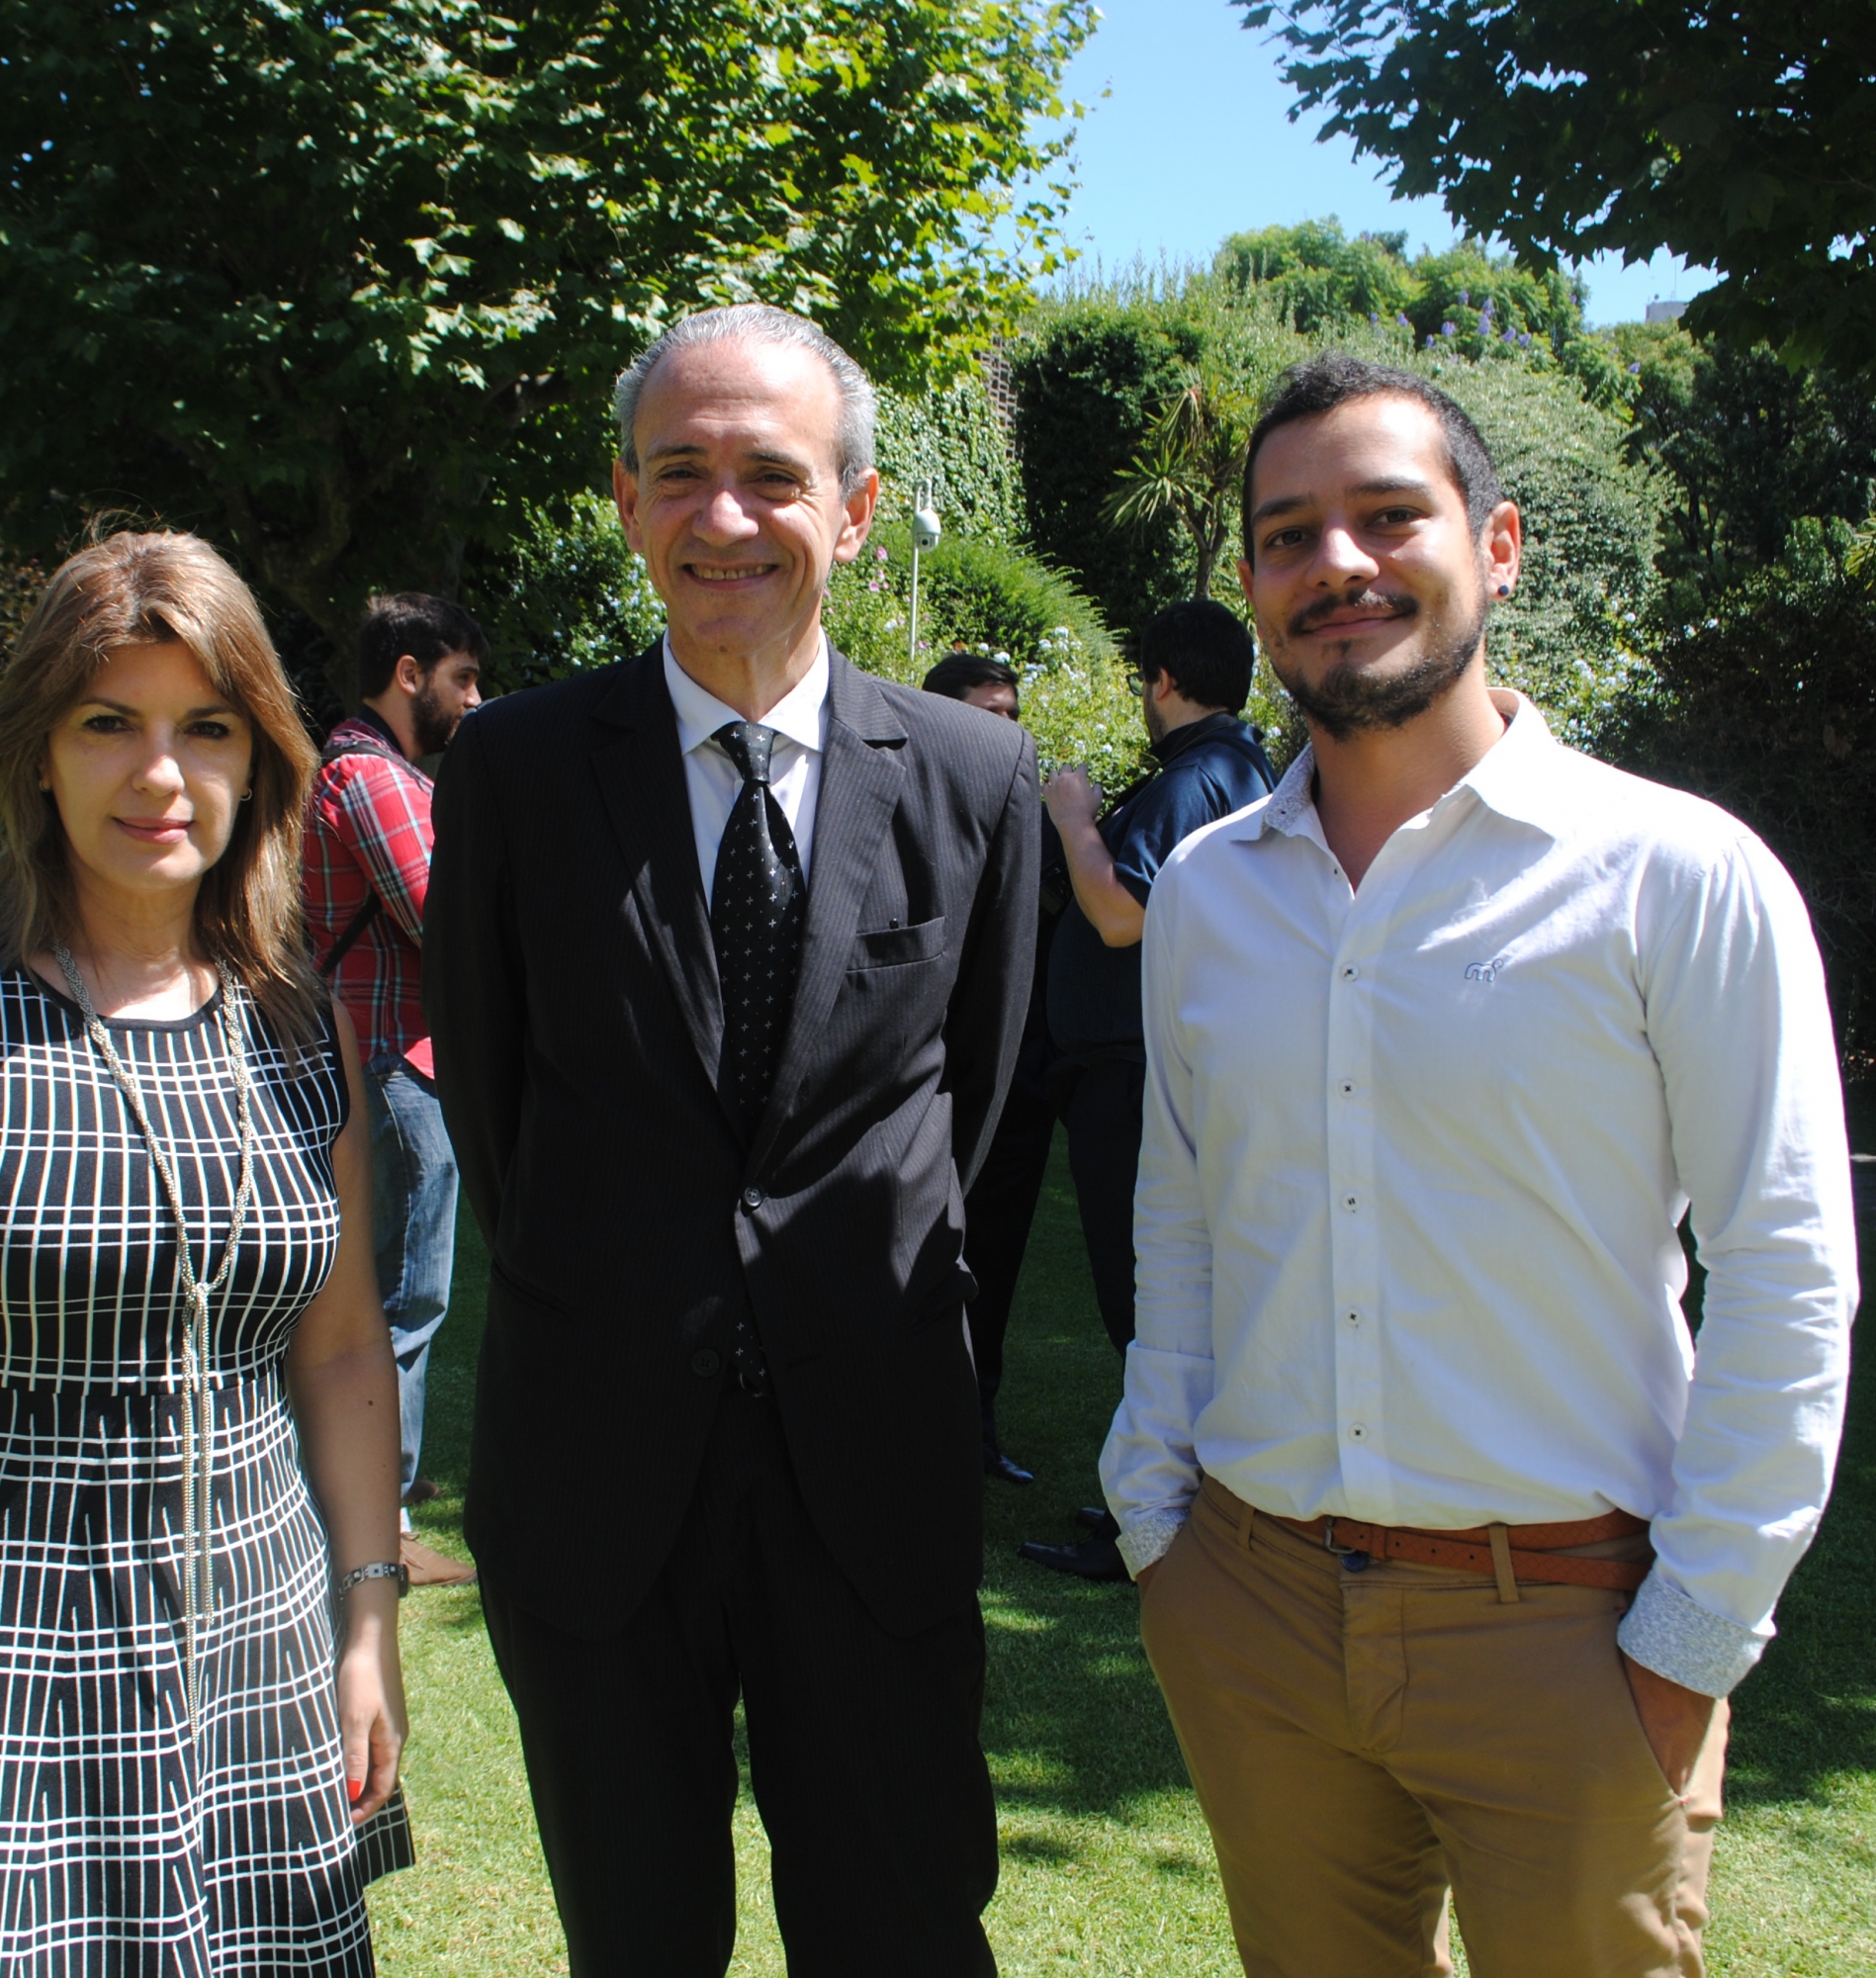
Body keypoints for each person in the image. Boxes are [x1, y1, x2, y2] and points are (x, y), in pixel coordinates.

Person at [1107, 353, 1856, 1975]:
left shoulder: (1674, 875)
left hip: (1569, 1626)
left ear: (1495, 543)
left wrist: (1689, 1638)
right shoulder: (1210, 895)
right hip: (1251, 1602)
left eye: (1389, 516)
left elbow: (1786, 1275)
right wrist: (1154, 1520)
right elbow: (1180, 1216)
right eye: (1289, 533)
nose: (1338, 565)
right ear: (1248, 581)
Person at [427, 305, 1038, 1975]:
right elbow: (492, 1105)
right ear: (623, 503)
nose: (722, 519)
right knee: (638, 1939)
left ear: (849, 508)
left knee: (899, 1929)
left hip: (873, 1465)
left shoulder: (974, 780)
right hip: (596, 1470)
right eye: (678, 474)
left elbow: (978, 1132)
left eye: (769, 475)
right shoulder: (516, 770)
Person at [0, 532, 414, 1973]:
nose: (159, 775)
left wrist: (371, 1624)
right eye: (108, 723)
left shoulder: (304, 1037)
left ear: (259, 763)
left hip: (254, 1638)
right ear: (38, 756)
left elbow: (347, 1342)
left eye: (205, 729)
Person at [1020, 599, 1274, 1581]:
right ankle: (1165, 1494)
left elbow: (1121, 911)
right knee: (1168, 1295)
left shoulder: (1195, 775)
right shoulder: (1245, 769)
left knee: (1149, 1296)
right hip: (1158, 1065)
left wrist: (1076, 816)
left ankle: (1167, 1514)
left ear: (1164, 680)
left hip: (1131, 1073)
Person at [308, 589, 487, 1588]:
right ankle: (381, 1527)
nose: (475, 697)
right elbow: (440, 920)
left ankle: (347, 1514)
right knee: (400, 1305)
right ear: (408, 673)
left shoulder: (376, 769)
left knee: (374, 1300)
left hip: (382, 1064)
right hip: (398, 1069)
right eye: (462, 675)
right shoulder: (373, 775)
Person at [920, 650, 1042, 1485]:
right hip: (928, 1102)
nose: (1003, 730)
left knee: (992, 1266)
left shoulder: (1019, 807)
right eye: (985, 713)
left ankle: (975, 1423)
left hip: (1019, 1085)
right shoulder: (907, 811)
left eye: (1010, 714)